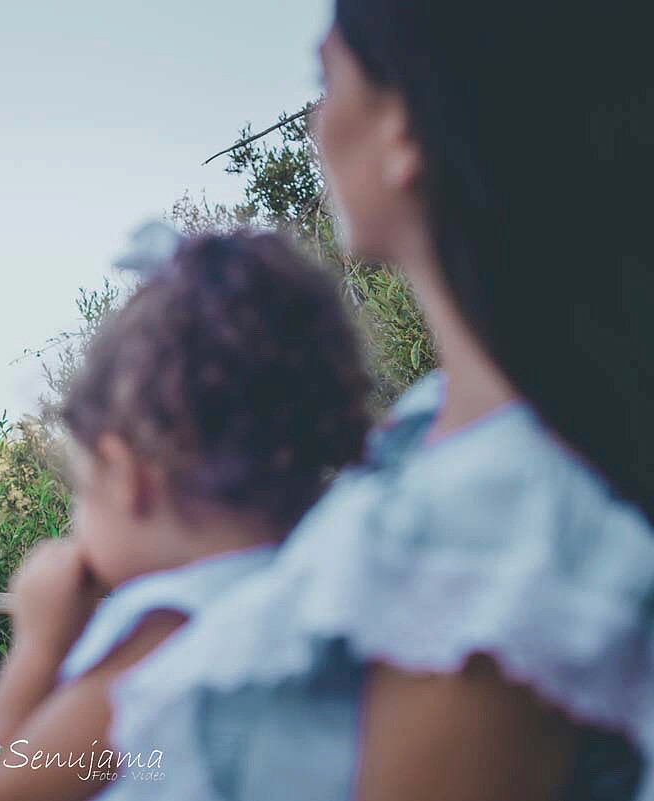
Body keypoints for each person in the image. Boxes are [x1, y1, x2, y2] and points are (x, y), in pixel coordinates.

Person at [99, 3, 654, 801]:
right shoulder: (434, 432)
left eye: (325, 79)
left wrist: (48, 640)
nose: (315, 123)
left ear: (405, 133)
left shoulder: (495, 527)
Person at [0, 231, 372, 801]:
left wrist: (33, 649)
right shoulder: (334, 586)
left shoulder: (164, 635)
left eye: (82, 486)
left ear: (130, 478)